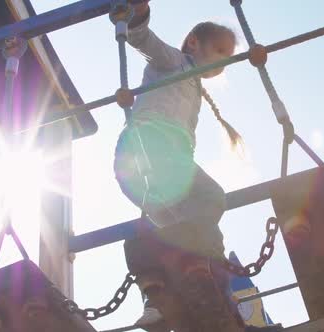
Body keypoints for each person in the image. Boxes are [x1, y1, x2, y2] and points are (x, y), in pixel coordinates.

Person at [113, 1, 246, 331]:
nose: (224, 59)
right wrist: (138, 15)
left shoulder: (195, 88)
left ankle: (157, 303)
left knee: (175, 235)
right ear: (193, 43)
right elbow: (144, 41)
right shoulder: (175, 62)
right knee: (211, 198)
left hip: (146, 167)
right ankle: (215, 280)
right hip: (152, 149)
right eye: (220, 50)